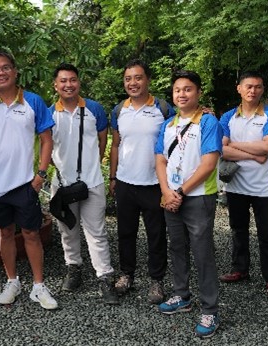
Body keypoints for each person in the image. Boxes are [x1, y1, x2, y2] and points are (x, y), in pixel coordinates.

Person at [0, 50, 57, 310]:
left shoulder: (33, 101)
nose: (1, 73)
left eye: (5, 67)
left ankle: (38, 286)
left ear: (15, 70)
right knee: (5, 232)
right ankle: (12, 281)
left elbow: (46, 139)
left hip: (25, 183)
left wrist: (41, 174)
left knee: (32, 233)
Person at [155, 70, 222, 338]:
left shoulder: (207, 123)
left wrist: (180, 191)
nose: (182, 94)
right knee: (177, 246)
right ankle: (181, 295)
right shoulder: (168, 124)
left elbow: (209, 163)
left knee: (202, 252)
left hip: (198, 197)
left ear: (198, 93)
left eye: (188, 89)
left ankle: (210, 309)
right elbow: (160, 158)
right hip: (170, 196)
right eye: (177, 90)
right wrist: (166, 191)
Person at [50, 63, 119, 305]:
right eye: (63, 81)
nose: (68, 85)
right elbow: (45, 147)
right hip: (61, 183)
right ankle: (74, 268)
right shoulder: (50, 113)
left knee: (96, 231)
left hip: (91, 182)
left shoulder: (94, 109)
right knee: (67, 230)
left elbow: (102, 141)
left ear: (79, 82)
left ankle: (104, 277)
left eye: (73, 80)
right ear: (55, 85)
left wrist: (92, 166)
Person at [109, 59, 174, 303]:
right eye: (128, 79)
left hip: (155, 183)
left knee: (156, 234)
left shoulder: (163, 109)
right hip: (126, 181)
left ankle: (156, 280)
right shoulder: (118, 110)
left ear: (147, 80)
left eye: (138, 77)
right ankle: (127, 275)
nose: (132, 83)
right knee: (126, 232)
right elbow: (115, 144)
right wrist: (112, 177)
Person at [218, 71, 268, 300]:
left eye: (257, 86)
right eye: (248, 86)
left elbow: (267, 148)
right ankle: (240, 269)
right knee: (238, 231)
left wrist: (240, 147)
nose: (252, 90)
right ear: (239, 88)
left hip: (264, 187)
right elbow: (222, 149)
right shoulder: (228, 117)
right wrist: (254, 155)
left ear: (262, 89)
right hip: (236, 185)